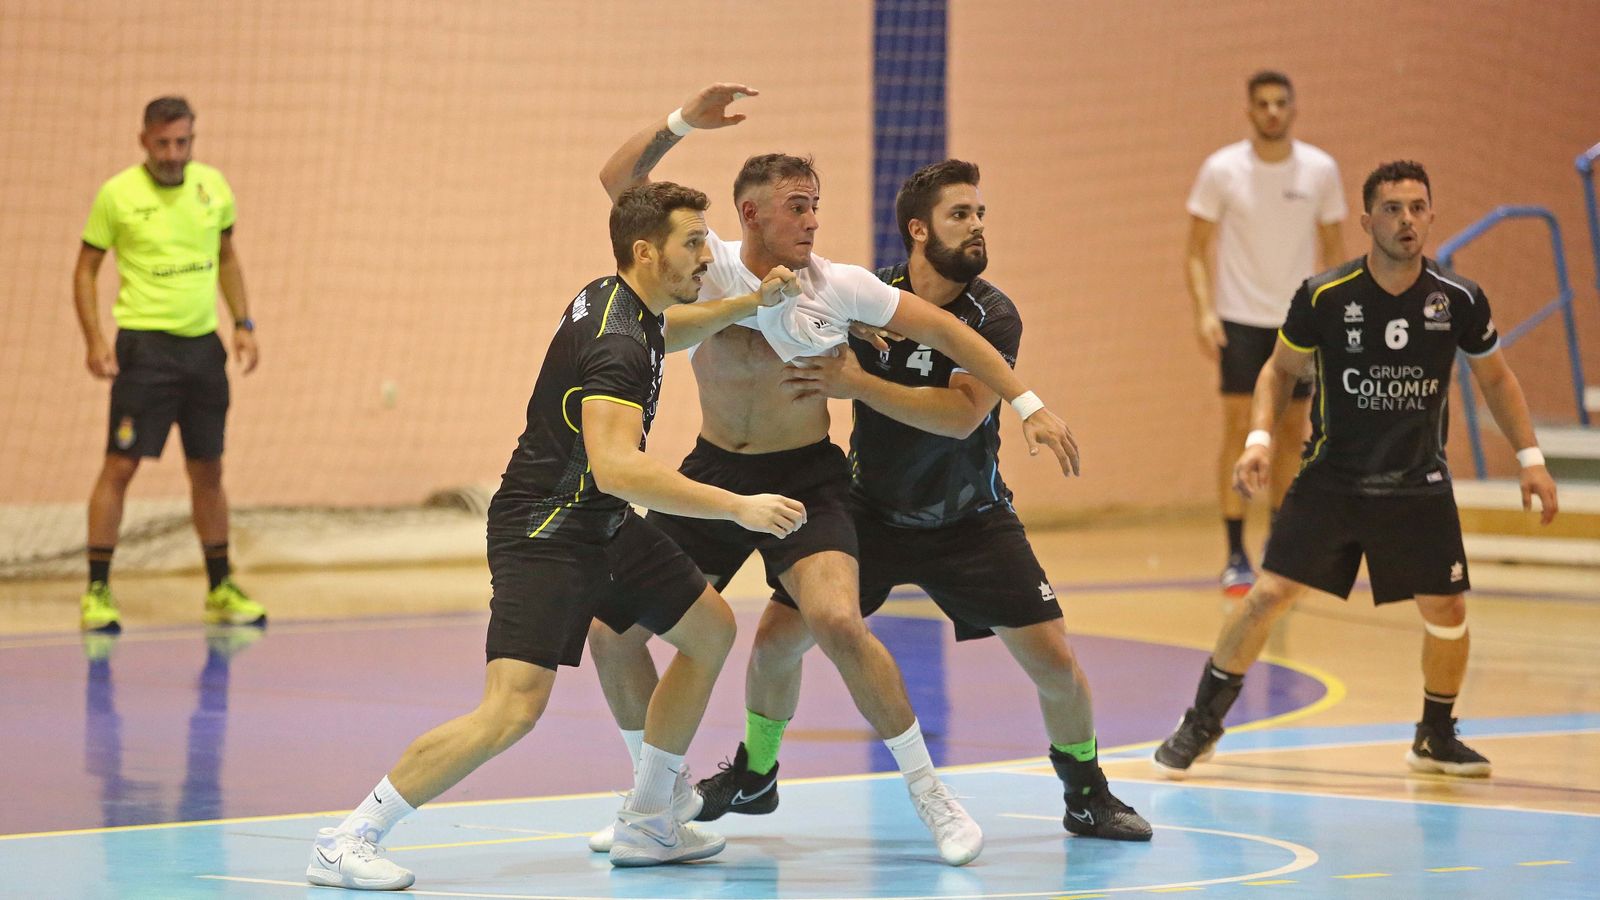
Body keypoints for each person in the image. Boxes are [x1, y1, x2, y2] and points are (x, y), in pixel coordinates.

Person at [585, 83, 1079, 868]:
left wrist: (1027, 403)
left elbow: (949, 330)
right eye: (796, 206)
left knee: (839, 622)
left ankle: (932, 797)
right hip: (715, 474)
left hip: (808, 479)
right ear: (750, 216)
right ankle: (658, 800)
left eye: (816, 204)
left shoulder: (839, 283)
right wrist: (684, 121)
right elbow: (618, 184)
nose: (813, 219)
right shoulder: (705, 264)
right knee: (612, 633)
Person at [305, 182, 808, 889]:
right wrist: (737, 507)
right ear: (647, 251)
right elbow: (619, 469)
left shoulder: (618, 297)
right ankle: (347, 837)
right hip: (547, 528)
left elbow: (676, 332)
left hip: (595, 521)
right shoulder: (618, 346)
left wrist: (748, 305)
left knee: (710, 630)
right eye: (693, 242)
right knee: (511, 710)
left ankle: (650, 820)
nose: (707, 255)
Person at [724, 159, 1151, 841]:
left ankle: (1086, 792)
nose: (977, 226)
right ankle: (757, 774)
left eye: (981, 214)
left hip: (968, 519)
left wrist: (859, 384)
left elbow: (960, 416)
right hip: (868, 509)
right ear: (919, 230)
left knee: (1055, 662)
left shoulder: (992, 313)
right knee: (776, 641)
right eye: (961, 215)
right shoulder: (870, 294)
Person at [1153, 161, 1559, 781]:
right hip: (1333, 478)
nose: (1407, 219)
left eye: (1418, 207)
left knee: (1447, 609)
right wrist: (1259, 438)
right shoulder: (1324, 295)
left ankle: (1435, 734)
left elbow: (1496, 377)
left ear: (1431, 215)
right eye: (1393, 209)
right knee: (1267, 595)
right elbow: (1277, 370)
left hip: (1417, 483)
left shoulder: (1460, 300)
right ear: (1367, 221)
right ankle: (1201, 723)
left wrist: (1530, 460)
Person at [73, 96, 264, 632]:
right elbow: (85, 271)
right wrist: (94, 339)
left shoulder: (213, 188)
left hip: (203, 351)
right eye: (163, 143)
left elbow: (227, 257)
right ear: (143, 141)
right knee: (121, 465)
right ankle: (97, 591)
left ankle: (220, 587)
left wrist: (243, 324)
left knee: (209, 469)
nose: (173, 154)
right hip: (144, 351)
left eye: (183, 142)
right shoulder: (118, 194)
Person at [1185, 70, 1346, 595]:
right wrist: (1206, 313)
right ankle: (1235, 554)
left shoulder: (1321, 170)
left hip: (1298, 325)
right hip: (1239, 321)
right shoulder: (1222, 169)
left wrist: (1330, 318)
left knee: (1291, 437)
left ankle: (1281, 548)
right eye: (1263, 103)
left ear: (1294, 109)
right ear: (1249, 110)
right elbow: (1194, 250)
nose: (1272, 111)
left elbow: (1334, 252)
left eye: (1281, 103)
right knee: (1238, 432)